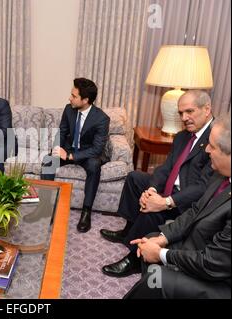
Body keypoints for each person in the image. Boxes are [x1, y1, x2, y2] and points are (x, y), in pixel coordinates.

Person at [101, 90, 214, 277]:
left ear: (207, 109)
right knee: (134, 178)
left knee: (153, 212)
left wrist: (165, 201)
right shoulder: (182, 136)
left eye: (189, 111)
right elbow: (165, 168)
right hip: (170, 188)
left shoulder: (215, 140)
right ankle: (128, 230)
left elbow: (204, 187)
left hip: (188, 201)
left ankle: (134, 259)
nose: (184, 118)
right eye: (180, 113)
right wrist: (152, 190)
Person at [124, 115, 231, 299]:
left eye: (212, 146)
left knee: (159, 279)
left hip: (219, 279)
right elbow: (195, 211)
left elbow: (212, 263)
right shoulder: (220, 175)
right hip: (199, 247)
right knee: (150, 239)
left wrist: (162, 254)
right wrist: (162, 239)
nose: (206, 149)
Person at [41, 78, 110, 233]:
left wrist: (70, 157)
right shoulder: (69, 109)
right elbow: (62, 132)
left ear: (85, 100)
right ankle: (47, 208)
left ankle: (86, 211)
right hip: (68, 149)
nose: (69, 98)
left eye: (74, 96)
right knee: (47, 161)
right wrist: (57, 148)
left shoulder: (101, 119)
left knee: (94, 165)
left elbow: (97, 149)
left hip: (88, 154)